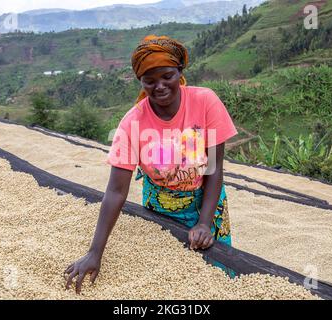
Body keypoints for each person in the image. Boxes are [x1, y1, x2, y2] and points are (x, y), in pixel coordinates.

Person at [65, 35, 238, 294]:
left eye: (167, 76)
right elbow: (115, 191)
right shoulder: (132, 122)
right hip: (160, 206)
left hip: (208, 202)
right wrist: (94, 252)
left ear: (179, 72)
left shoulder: (205, 102)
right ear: (140, 82)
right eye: (149, 80)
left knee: (218, 274)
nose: (159, 86)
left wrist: (204, 223)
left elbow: (214, 168)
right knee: (170, 278)